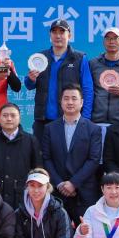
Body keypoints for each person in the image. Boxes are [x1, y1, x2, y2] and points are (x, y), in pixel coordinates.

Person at [24, 18, 94, 144]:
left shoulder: (79, 58)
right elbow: (29, 85)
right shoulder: (40, 58)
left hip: (69, 119)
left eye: (62, 32)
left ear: (69, 35)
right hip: (43, 119)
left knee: (67, 154)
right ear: (50, 35)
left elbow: (87, 89)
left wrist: (85, 118)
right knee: (41, 154)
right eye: (54, 32)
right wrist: (31, 79)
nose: (58, 36)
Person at [42, 85, 103, 220]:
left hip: (84, 192)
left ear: (81, 102)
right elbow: (46, 158)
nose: (70, 102)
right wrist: (59, 184)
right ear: (61, 102)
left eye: (74, 98)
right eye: (66, 98)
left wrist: (73, 183)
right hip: (57, 192)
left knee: (85, 230)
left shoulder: (93, 129)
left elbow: (94, 160)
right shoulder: (49, 128)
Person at [0, 103, 43, 211]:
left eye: (13, 115)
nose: (9, 119)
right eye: (5, 115)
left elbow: (37, 169)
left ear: (20, 118)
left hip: (23, 196)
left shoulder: (31, 140)